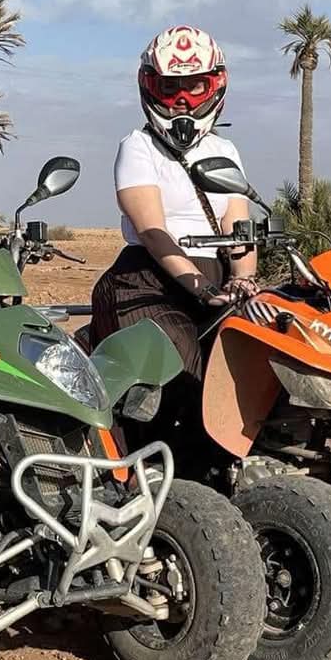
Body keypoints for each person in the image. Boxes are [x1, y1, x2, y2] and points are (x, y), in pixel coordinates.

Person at [88, 25, 257, 459]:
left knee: (250, 371)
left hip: (213, 285)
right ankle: (147, 478)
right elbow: (152, 229)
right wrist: (199, 287)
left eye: (194, 86)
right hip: (146, 281)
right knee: (184, 379)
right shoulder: (138, 147)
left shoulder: (225, 150)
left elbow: (239, 225)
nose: (182, 100)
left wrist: (243, 279)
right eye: (170, 87)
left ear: (214, 85)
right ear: (150, 87)